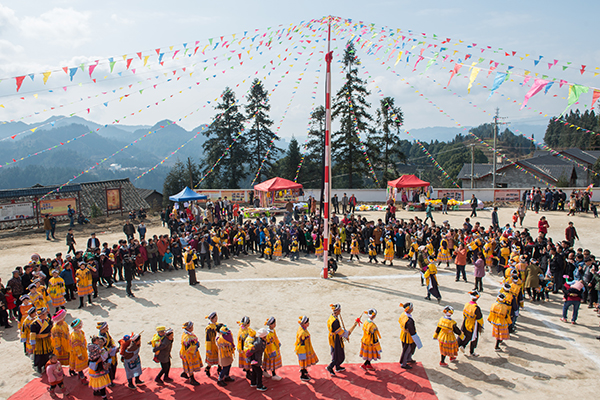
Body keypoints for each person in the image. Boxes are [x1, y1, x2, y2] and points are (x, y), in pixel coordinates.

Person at [458, 290, 484, 357]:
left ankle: (462, 345)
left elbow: (463, 314)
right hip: (473, 324)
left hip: (466, 321)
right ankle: (471, 351)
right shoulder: (476, 308)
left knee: (465, 334)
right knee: (473, 337)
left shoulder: (467, 304)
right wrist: (482, 325)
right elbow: (479, 318)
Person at [326, 303, 350, 375]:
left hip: (333, 336)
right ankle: (330, 366)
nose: (340, 311)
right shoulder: (335, 321)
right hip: (335, 338)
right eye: (340, 310)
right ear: (337, 311)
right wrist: (346, 334)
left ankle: (338, 366)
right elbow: (339, 331)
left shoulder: (332, 317)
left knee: (338, 352)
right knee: (337, 353)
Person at [30, 307, 54, 373]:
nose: (46, 314)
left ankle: (48, 365)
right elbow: (32, 335)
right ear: (41, 315)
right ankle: (39, 366)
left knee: (48, 353)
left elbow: (51, 328)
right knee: (40, 354)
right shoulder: (34, 324)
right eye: (45, 313)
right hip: (39, 341)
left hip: (47, 340)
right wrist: (33, 343)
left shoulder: (48, 320)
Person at [295, 316, 318, 382]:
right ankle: (303, 374)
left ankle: (303, 369)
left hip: (304, 348)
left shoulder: (302, 328)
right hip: (302, 350)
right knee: (303, 361)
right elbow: (302, 342)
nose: (308, 323)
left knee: (303, 361)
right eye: (307, 322)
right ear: (303, 323)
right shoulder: (302, 333)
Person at [399, 302, 421, 369]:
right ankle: (403, 363)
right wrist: (416, 337)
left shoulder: (403, 315)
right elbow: (412, 331)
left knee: (408, 348)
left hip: (403, 334)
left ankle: (408, 358)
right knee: (407, 349)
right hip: (408, 336)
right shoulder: (409, 320)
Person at [180, 321, 202, 386]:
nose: (193, 328)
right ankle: (192, 379)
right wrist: (196, 345)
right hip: (189, 354)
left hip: (191, 353)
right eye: (192, 327)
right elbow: (187, 348)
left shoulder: (189, 334)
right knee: (190, 366)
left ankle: (185, 373)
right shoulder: (186, 337)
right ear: (188, 328)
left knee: (188, 365)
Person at [205, 311, 222, 377]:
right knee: (211, 360)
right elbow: (208, 339)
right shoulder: (209, 328)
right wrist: (208, 348)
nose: (216, 319)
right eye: (215, 318)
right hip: (212, 345)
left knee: (219, 358)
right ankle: (207, 369)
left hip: (217, 344)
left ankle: (219, 369)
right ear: (211, 319)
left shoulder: (217, 325)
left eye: (216, 318)